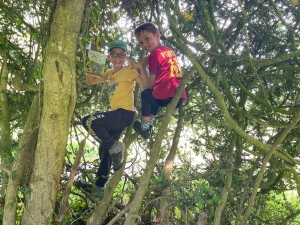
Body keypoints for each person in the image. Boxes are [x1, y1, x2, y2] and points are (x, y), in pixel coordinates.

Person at [76, 40, 149, 200]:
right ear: (109, 56)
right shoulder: (109, 73)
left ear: (126, 57)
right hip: (116, 115)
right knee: (105, 149)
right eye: (114, 54)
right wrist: (91, 62)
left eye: (121, 55)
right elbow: (91, 81)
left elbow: (146, 84)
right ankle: (99, 188)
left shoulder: (128, 71)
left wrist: (141, 68)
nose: (118, 58)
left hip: (124, 113)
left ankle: (116, 147)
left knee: (88, 121)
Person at [131, 22, 186, 139]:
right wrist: (148, 64)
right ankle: (149, 122)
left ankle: (145, 127)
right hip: (179, 96)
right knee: (155, 94)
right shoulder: (169, 51)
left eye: (147, 38)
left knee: (146, 94)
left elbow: (150, 84)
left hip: (166, 97)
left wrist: (141, 67)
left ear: (157, 35)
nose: (145, 44)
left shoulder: (154, 54)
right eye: (141, 42)